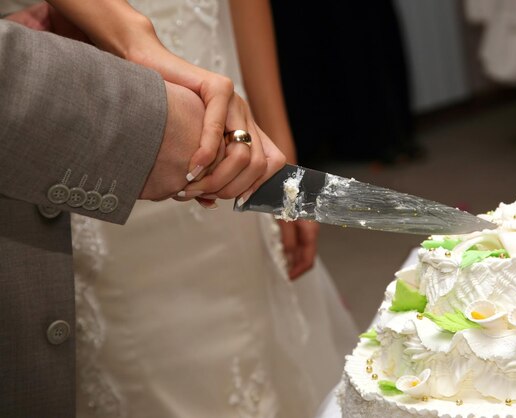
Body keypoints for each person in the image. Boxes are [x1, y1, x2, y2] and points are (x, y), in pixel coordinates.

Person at [7, 1, 358, 417]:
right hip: (87, 102)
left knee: (244, 340)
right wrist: (128, 35)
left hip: (216, 93)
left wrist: (279, 140)